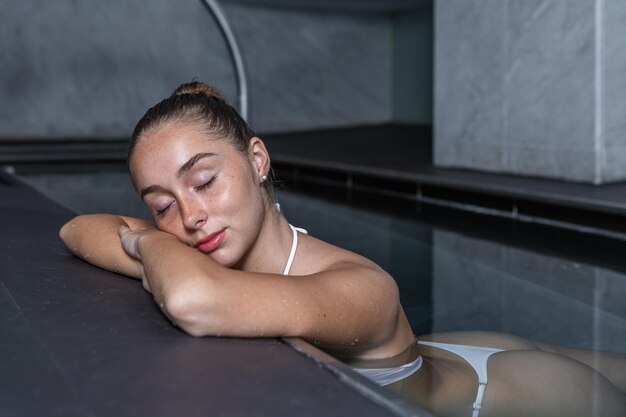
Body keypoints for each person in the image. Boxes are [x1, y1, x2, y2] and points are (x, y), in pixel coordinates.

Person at [60, 82, 626, 417]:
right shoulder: (197, 235)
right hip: (447, 351)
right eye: (160, 205)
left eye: (204, 182)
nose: (189, 217)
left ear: (258, 161)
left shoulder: (362, 285)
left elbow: (193, 299)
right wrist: (154, 238)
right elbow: (77, 228)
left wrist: (143, 239)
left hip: (512, 396)